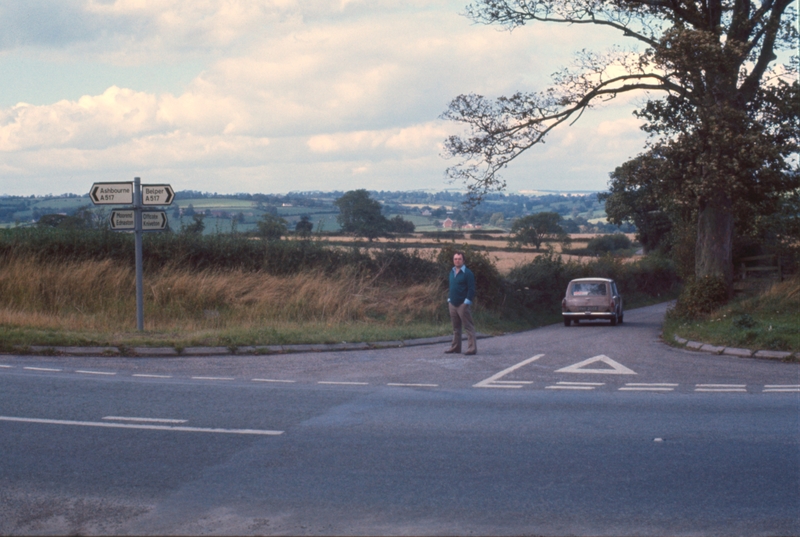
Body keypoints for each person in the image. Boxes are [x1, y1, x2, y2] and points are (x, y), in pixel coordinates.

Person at [445, 251, 477, 355]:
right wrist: (449, 299)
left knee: (468, 327)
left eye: (459, 259)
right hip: (452, 303)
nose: (457, 261)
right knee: (455, 327)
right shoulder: (452, 272)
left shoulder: (468, 273)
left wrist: (466, 302)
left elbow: (471, 289)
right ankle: (455, 348)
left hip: (462, 305)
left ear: (463, 260)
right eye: (455, 259)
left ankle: (472, 349)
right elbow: (451, 286)